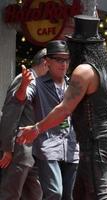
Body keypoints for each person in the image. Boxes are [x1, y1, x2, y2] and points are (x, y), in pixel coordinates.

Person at [16, 15, 107, 200]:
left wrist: (37, 128)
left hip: (94, 142)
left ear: (79, 46)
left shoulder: (83, 71)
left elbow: (64, 109)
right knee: (80, 195)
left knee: (98, 196)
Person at [15, 40, 79, 200]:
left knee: (68, 196)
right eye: (59, 59)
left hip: (71, 147)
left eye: (66, 59)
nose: (63, 64)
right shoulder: (37, 83)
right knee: (54, 193)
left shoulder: (74, 85)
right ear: (47, 61)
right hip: (47, 146)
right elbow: (21, 97)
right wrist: (23, 85)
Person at [0, 48, 48, 200]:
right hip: (19, 151)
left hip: (35, 152)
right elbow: (9, 114)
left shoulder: (42, 84)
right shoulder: (23, 79)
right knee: (10, 195)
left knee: (35, 194)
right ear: (46, 63)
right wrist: (7, 148)